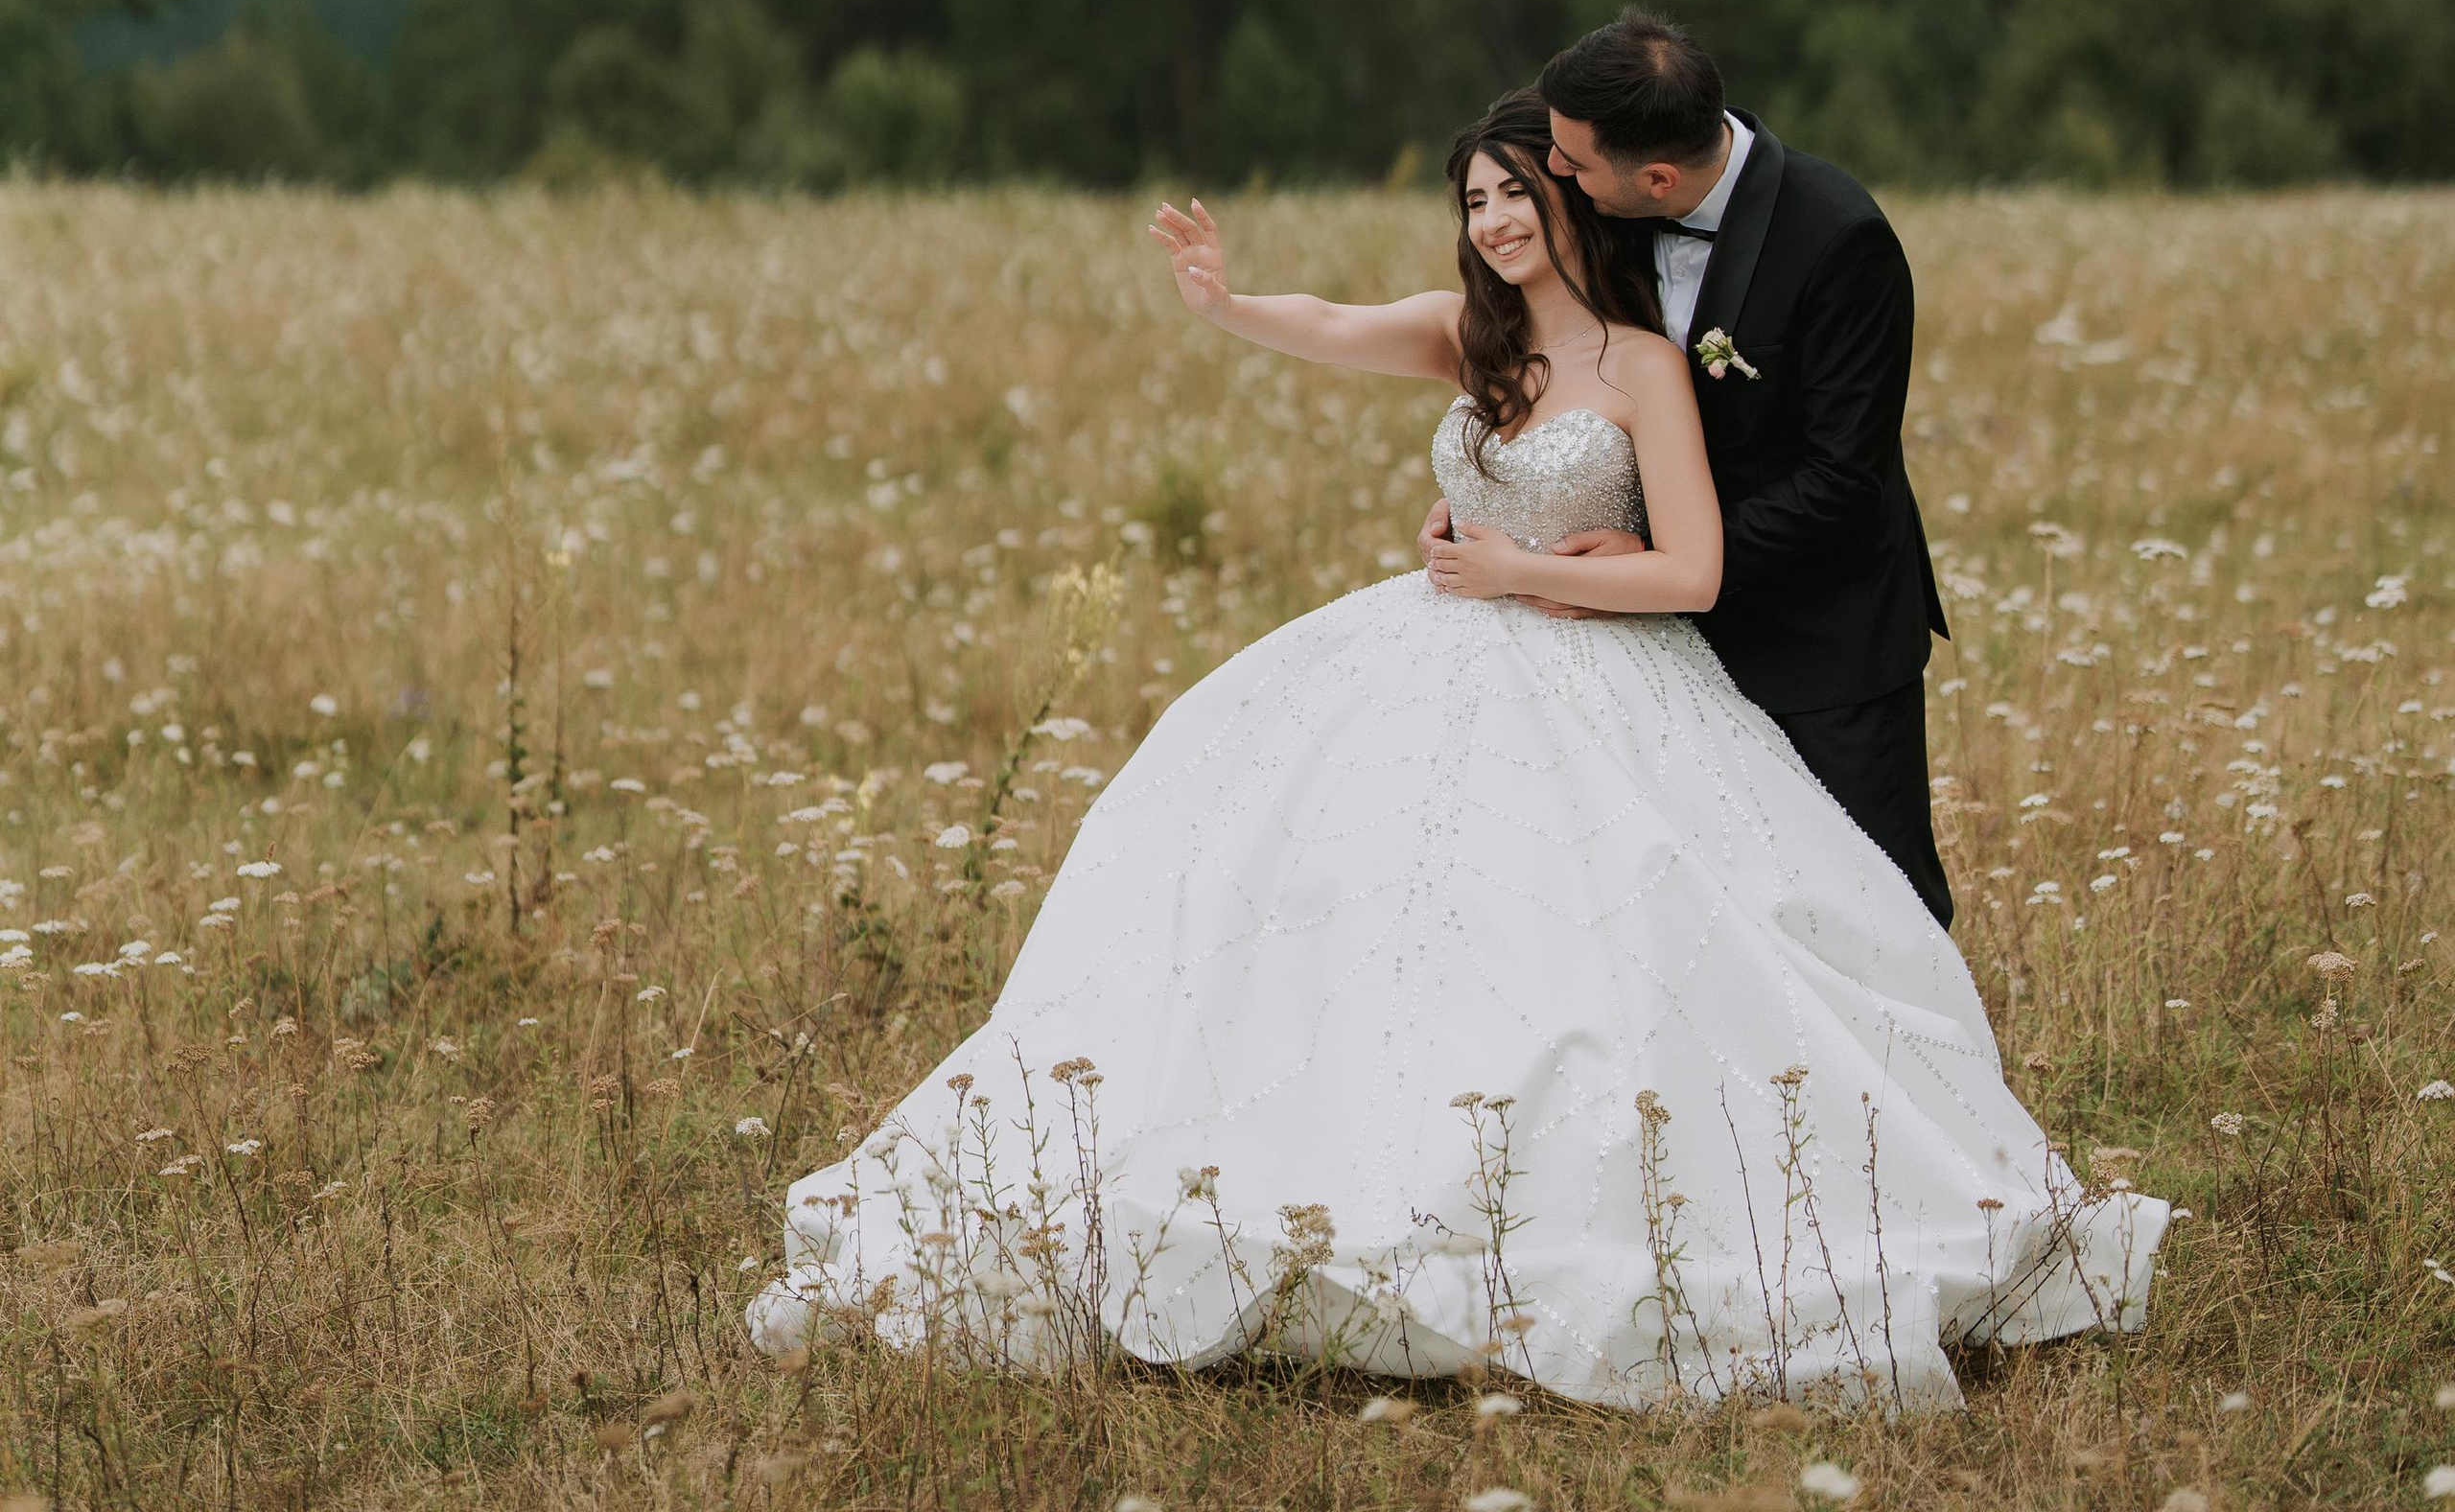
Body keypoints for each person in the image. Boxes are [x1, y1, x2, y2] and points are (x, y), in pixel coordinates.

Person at [747, 88, 2163, 1404]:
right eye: (1473, 199)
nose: (1490, 222)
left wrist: (1531, 576)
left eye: (1513, 196)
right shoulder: (1469, 336)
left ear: (1573, 203)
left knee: (1599, 944)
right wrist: (1227, 302)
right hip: (1430, 656)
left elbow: (1692, 571)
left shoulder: (1647, 367)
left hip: (1593, 673)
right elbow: (1333, 323)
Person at [1434, 7, 1954, 925]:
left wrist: (1656, 557)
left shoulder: (1842, 242)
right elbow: (1570, 373)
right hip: (1648, 650)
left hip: (1817, 632)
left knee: (1873, 901)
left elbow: (1844, 478)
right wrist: (1502, 495)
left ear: (1659, 177)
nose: (1557, 175)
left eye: (1573, 163)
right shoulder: (1614, 201)